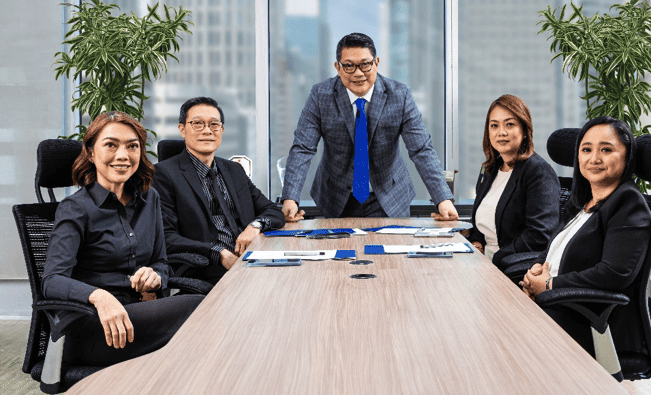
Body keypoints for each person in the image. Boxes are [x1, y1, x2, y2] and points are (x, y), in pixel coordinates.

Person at [42, 111, 203, 366]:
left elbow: (161, 262)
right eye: (110, 145)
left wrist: (156, 276)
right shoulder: (75, 208)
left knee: (206, 321)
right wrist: (99, 296)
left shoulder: (150, 199)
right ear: (91, 153)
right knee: (204, 310)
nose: (123, 155)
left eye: (132, 146)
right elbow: (52, 281)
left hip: (137, 315)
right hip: (96, 325)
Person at [280, 32, 458, 221]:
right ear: (338, 67)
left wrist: (443, 199)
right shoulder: (320, 95)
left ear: (376, 63)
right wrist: (290, 197)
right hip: (336, 197)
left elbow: (421, 149)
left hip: (389, 196)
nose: (358, 73)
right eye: (349, 66)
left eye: (365, 64)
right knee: (338, 249)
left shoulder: (400, 95)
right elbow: (303, 148)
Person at [520, 116, 651, 356]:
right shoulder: (582, 202)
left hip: (578, 316)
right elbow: (555, 247)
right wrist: (536, 270)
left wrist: (549, 285)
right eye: (586, 149)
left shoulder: (628, 203)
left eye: (606, 149)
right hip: (552, 303)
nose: (594, 158)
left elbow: (614, 273)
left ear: (627, 155)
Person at [152, 97, 285, 284]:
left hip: (251, 258)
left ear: (221, 130)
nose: (207, 130)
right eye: (197, 124)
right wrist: (218, 252)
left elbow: (272, 210)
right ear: (182, 129)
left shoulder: (233, 170)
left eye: (214, 124)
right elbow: (166, 237)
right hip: (208, 267)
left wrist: (254, 227)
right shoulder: (163, 174)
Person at [466, 95, 561, 267]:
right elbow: (483, 219)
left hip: (509, 270)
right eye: (494, 125)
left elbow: (539, 235)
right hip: (481, 264)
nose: (501, 132)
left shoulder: (538, 172)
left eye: (509, 124)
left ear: (524, 131)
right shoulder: (491, 169)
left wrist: (495, 260)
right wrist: (477, 243)